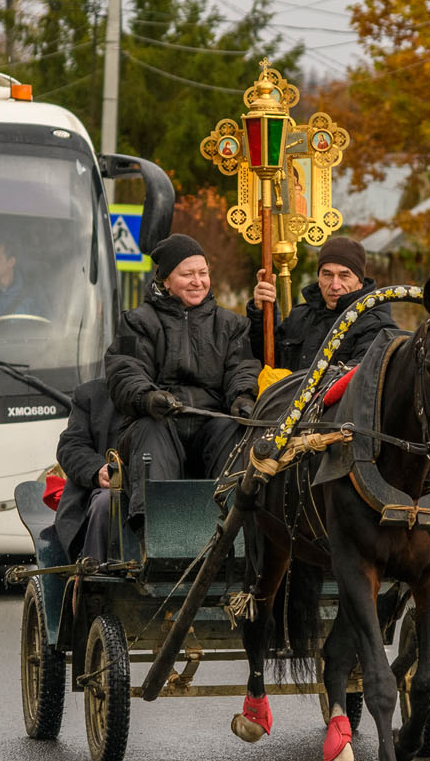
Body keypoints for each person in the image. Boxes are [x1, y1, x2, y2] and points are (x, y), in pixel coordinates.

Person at [105, 233, 261, 525]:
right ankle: (155, 528)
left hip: (210, 420)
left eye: (203, 273)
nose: (197, 281)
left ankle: (234, 524)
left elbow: (243, 367)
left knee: (232, 428)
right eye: (187, 274)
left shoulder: (231, 324)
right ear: (165, 280)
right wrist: (148, 397)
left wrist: (243, 396)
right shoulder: (137, 322)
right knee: (151, 430)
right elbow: (125, 370)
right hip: (159, 417)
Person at [247, 235, 398, 374]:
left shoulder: (376, 325)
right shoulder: (300, 316)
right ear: (319, 278)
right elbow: (265, 357)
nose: (335, 285)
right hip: (288, 402)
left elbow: (358, 380)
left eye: (344, 276)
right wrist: (261, 312)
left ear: (359, 282)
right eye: (327, 274)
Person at [52, 379, 120, 565]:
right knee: (107, 505)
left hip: (164, 491)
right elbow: (71, 446)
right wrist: (97, 470)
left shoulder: (180, 392)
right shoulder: (90, 395)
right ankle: (93, 582)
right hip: (102, 492)